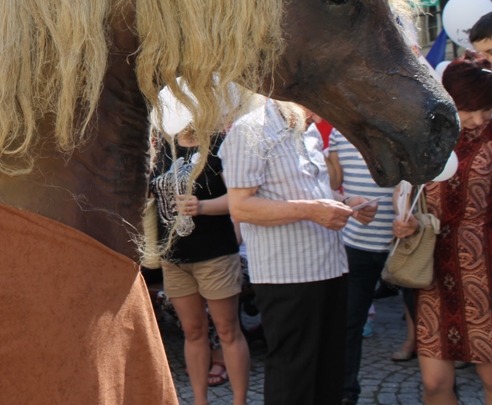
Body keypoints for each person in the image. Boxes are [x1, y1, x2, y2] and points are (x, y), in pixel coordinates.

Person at [220, 98, 370, 405]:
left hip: (329, 265)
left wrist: (348, 203)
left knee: (328, 373)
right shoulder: (251, 129)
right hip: (286, 274)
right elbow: (240, 207)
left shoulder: (308, 129)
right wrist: (312, 211)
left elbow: (312, 191)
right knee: (294, 375)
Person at [405, 58, 492, 404]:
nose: (479, 119)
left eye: (486, 108)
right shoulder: (430, 138)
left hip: (485, 270)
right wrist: (405, 222)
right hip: (435, 270)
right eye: (470, 110)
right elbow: (411, 195)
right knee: (434, 382)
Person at [149, 128, 250, 405]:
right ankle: (198, 401)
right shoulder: (165, 146)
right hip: (175, 257)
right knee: (192, 332)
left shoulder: (219, 144)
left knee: (228, 331)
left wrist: (202, 207)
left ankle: (239, 401)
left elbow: (240, 198)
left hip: (214, 254)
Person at [326, 127, 390, 405]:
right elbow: (334, 181)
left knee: (425, 323)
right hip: (356, 241)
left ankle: (438, 387)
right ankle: (345, 393)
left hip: (404, 241)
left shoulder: (397, 124)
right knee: (349, 324)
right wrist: (324, 157)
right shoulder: (339, 131)